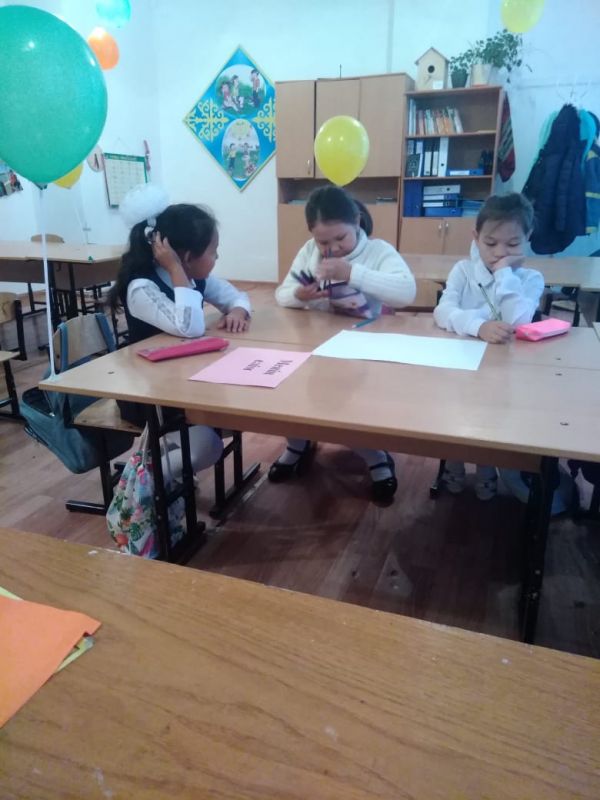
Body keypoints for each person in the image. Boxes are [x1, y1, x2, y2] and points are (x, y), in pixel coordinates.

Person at [270, 185, 417, 504]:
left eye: (341, 238)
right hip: (316, 345)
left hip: (362, 349)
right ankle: (297, 444)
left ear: (357, 222)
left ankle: (376, 457)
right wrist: (299, 295)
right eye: (323, 242)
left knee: (352, 407)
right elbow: (282, 294)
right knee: (293, 395)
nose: (333, 248)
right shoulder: (310, 252)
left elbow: (406, 293)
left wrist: (353, 273)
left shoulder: (377, 251)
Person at [108, 185, 252, 479]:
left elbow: (234, 295)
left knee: (236, 413)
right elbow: (190, 327)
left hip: (185, 384)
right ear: (186, 257)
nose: (217, 257)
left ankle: (168, 471)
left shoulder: (194, 277)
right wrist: (175, 270)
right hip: (151, 396)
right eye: (213, 252)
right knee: (206, 447)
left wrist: (238, 310)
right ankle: (144, 482)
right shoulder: (142, 287)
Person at [433, 192, 544, 500]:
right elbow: (442, 311)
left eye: (512, 244)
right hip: (461, 366)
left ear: (528, 238)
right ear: (476, 237)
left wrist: (504, 273)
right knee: (457, 416)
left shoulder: (531, 278)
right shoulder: (463, 270)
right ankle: (453, 465)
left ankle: (486, 469)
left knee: (491, 421)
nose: (499, 253)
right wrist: (477, 326)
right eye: (490, 243)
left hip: (505, 371)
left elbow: (518, 320)